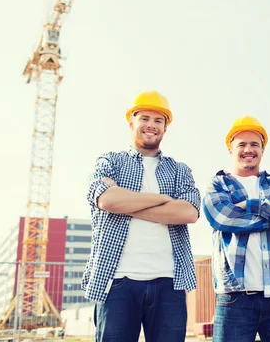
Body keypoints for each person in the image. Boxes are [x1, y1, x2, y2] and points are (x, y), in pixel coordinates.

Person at [84, 90, 201, 342]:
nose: (151, 125)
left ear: (165, 128)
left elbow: (189, 212)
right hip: (117, 280)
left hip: (169, 281)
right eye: (145, 118)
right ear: (131, 123)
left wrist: (127, 203)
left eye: (158, 120)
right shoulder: (110, 161)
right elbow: (106, 199)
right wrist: (163, 200)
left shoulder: (180, 170)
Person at [203, 116, 270, 342]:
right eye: (241, 144)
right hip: (234, 298)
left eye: (254, 144)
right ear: (230, 149)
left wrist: (249, 205)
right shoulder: (218, 184)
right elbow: (221, 217)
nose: (248, 149)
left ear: (262, 149)